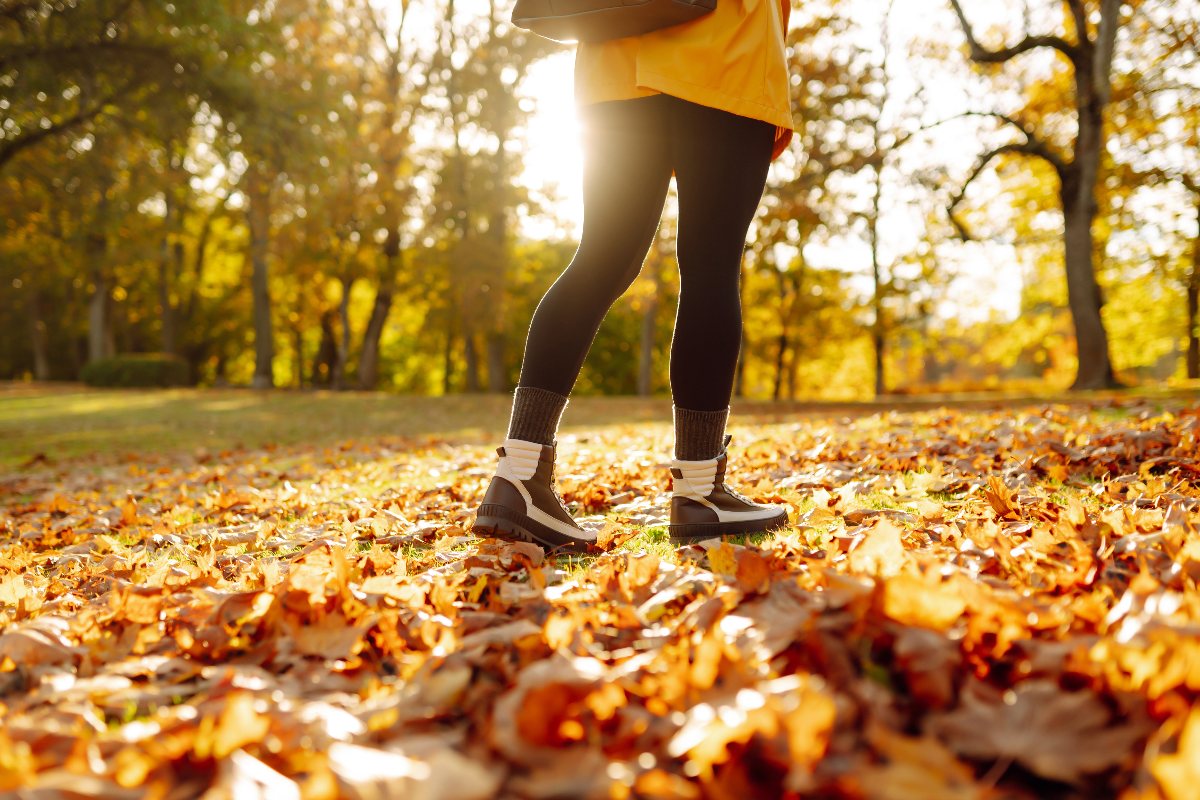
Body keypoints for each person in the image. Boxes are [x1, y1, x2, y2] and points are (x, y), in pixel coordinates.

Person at [472, 0, 796, 552]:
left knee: (601, 256)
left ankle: (520, 473)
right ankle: (699, 491)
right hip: (723, 52)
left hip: (615, 61)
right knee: (710, 267)